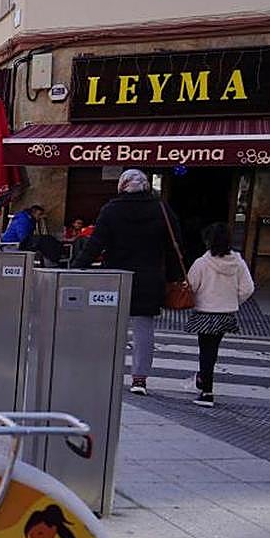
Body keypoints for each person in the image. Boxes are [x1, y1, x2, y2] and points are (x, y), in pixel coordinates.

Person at [74, 169, 182, 396]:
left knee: (111, 327)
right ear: (145, 186)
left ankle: (106, 372)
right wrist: (173, 277)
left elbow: (95, 244)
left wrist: (76, 268)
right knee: (144, 329)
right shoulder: (161, 209)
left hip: (116, 276)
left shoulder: (111, 210)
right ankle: (139, 379)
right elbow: (174, 246)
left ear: (122, 185)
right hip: (149, 277)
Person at [185, 223, 254, 407]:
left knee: (205, 351)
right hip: (226, 313)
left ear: (208, 241)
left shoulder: (201, 263)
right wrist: (233, 300)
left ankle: (206, 391)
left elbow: (191, 286)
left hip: (205, 312)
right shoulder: (238, 263)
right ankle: (204, 382)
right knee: (213, 350)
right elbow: (248, 288)